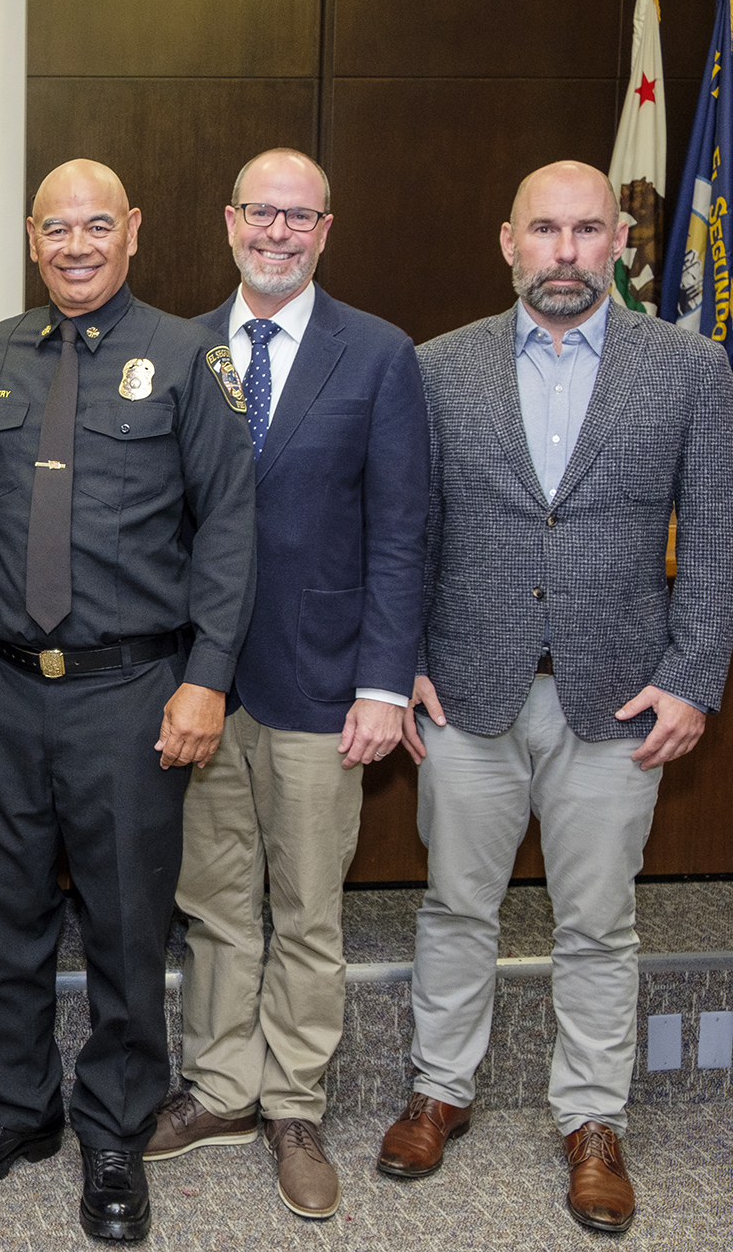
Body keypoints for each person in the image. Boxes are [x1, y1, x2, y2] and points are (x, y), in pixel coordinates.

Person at [378, 160, 733, 1235]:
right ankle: (440, 1089)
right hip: (463, 689)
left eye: (587, 230)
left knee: (598, 922)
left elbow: (715, 534)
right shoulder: (437, 366)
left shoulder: (690, 366)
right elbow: (406, 530)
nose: (566, 251)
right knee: (455, 905)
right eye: (545, 230)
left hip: (618, 699)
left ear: (620, 244)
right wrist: (400, 659)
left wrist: (693, 678)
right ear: (508, 242)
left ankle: (591, 1119)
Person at [0, 158, 256, 1244]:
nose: (75, 245)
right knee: (0, 911)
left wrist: (207, 676)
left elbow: (229, 526)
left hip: (130, 690)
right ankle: (16, 1105)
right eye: (56, 228)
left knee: (124, 920)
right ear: (33, 238)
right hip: (4, 690)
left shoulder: (187, 356)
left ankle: (114, 1126)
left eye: (96, 225)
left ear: (133, 230)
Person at [147, 148, 427, 1220]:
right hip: (204, 685)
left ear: (325, 230)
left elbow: (400, 530)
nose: (277, 232)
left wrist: (384, 681)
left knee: (307, 906)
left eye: (298, 216)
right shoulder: (180, 349)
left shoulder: (379, 353)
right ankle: (221, 1086)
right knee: (215, 902)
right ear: (228, 222)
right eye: (260, 213)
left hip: (323, 684)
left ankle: (294, 1105)